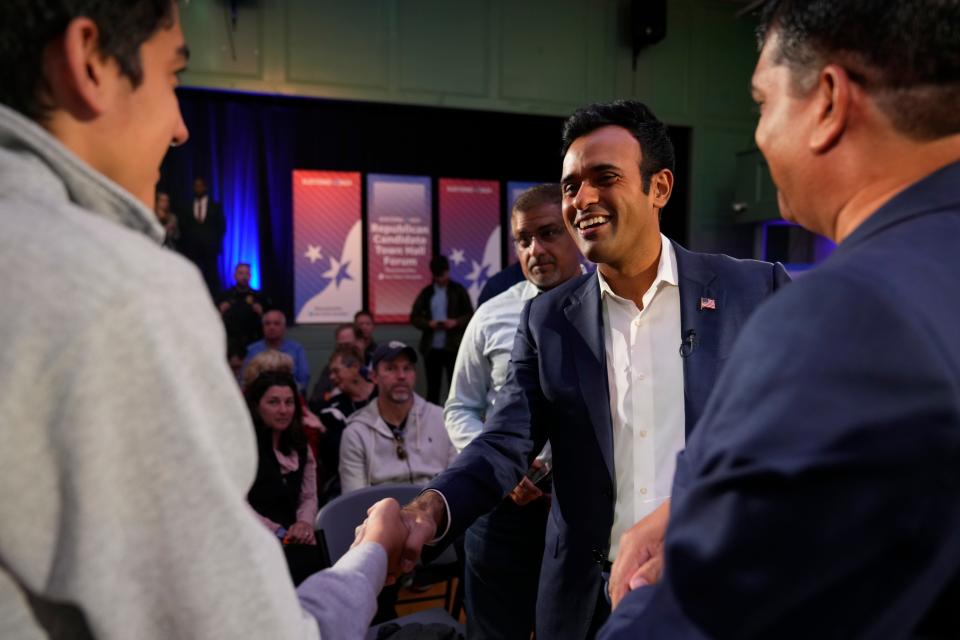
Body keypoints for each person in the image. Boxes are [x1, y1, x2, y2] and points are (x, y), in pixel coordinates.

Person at [0, 3, 408, 638]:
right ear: (90, 62)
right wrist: (372, 555)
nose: (181, 127)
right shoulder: (121, 293)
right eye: (173, 77)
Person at [600, 1, 960, 638]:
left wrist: (643, 590)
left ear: (827, 101)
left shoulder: (840, 316)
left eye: (763, 103)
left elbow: (701, 617)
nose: (761, 134)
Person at [385, 99, 791, 640]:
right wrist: (429, 510)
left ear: (659, 188)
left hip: (718, 588)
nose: (583, 199)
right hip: (585, 605)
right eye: (572, 184)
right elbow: (504, 441)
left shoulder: (754, 291)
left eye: (606, 177)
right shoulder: (547, 318)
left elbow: (798, 433)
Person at [445, 183, 584, 638]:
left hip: (580, 515)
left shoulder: (615, 313)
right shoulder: (490, 316)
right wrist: (502, 471)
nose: (535, 249)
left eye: (547, 233)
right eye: (523, 240)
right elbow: (460, 408)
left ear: (576, 231)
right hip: (500, 512)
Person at [339, 342, 457, 494]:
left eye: (407, 368)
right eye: (390, 368)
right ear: (374, 376)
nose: (401, 376)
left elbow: (457, 484)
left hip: (434, 510)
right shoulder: (356, 432)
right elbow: (353, 499)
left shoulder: (442, 420)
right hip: (381, 512)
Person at [246, 371, 322, 586]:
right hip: (256, 534)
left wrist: (304, 523)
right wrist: (279, 532)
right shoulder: (243, 448)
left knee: (314, 565)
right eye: (273, 402)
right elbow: (237, 503)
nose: (283, 410)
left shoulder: (300, 445)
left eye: (289, 402)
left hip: (297, 534)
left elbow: (308, 495)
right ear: (256, 406)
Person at [313, 344, 378, 503]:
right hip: (349, 483)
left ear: (355, 367)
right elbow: (335, 455)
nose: (332, 377)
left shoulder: (383, 396)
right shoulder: (332, 409)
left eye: (336, 371)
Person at [410, 255, 474, 404]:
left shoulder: (458, 291)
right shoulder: (427, 293)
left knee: (456, 387)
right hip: (432, 348)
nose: (440, 279)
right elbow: (414, 317)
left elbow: (470, 314)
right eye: (437, 276)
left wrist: (456, 322)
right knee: (433, 389)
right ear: (433, 275)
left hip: (453, 347)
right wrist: (429, 324)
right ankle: (432, 422)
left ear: (448, 271)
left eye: (443, 274)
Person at [179, 175, 226, 296]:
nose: (198, 188)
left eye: (200, 186)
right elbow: (183, 227)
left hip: (210, 251)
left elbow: (222, 227)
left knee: (211, 281)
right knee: (193, 278)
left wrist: (214, 244)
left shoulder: (215, 207)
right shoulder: (187, 206)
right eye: (195, 186)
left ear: (205, 187)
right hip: (192, 251)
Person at [245, 309, 311, 392]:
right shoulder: (252, 350)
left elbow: (303, 379)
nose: (271, 327)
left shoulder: (296, 349)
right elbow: (246, 379)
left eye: (276, 324)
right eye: (267, 324)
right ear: (263, 327)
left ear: (284, 327)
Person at [218, 262, 270, 350]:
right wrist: (220, 312)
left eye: (247, 273)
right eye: (241, 273)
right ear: (234, 276)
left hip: (254, 342)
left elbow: (269, 321)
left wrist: (262, 313)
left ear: (250, 276)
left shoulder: (259, 296)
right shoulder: (225, 296)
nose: (244, 277)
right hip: (230, 343)